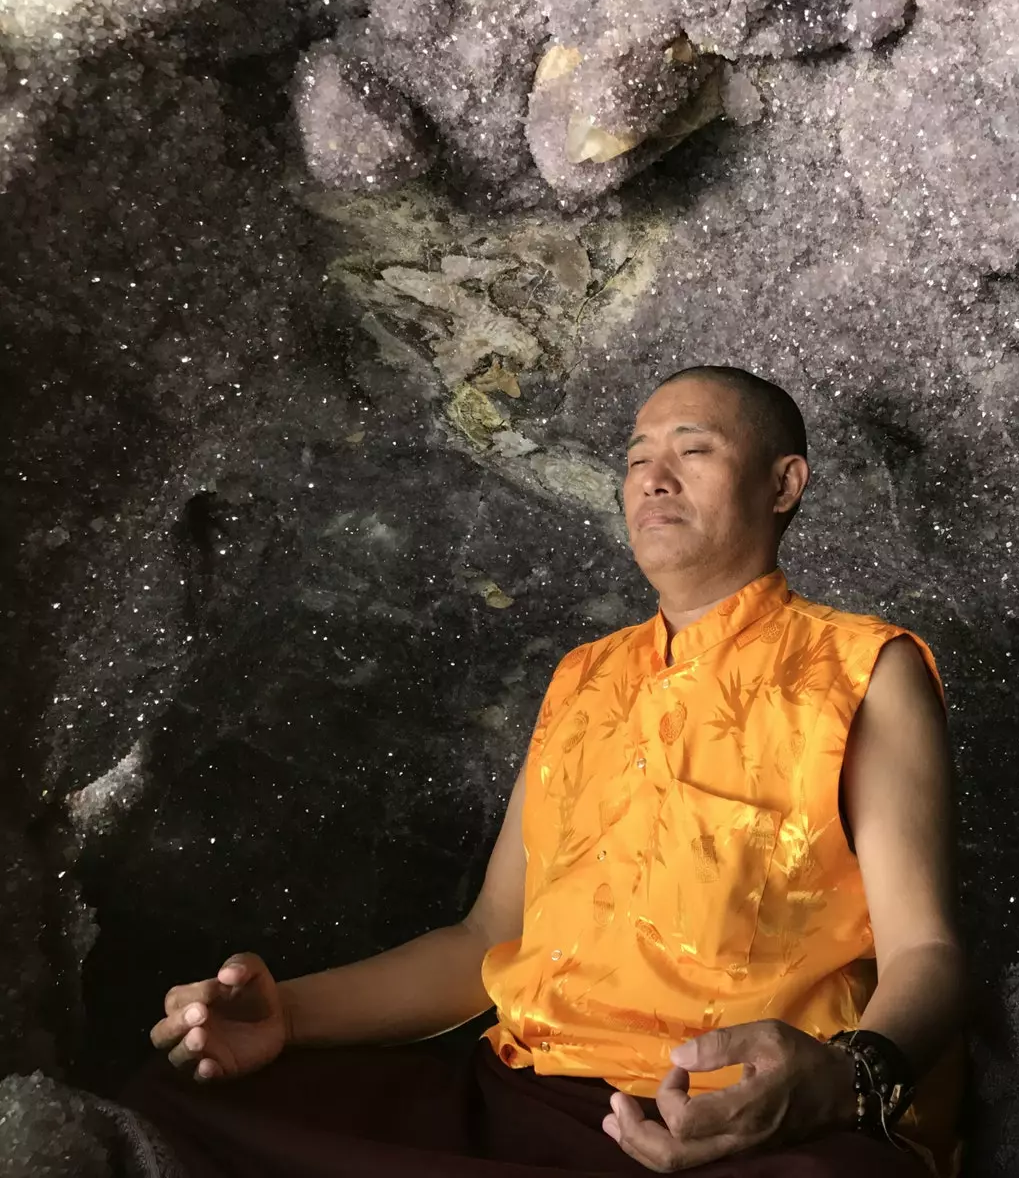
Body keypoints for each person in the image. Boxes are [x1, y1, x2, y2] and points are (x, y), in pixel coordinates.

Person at [126, 366, 966, 1177]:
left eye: (693, 450)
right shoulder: (583, 678)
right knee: (188, 1107)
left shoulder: (862, 669)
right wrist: (289, 1016)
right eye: (636, 459)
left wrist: (838, 1081)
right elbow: (487, 940)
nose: (653, 479)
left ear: (783, 485)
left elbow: (924, 950)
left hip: (738, 1121)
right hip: (532, 1097)